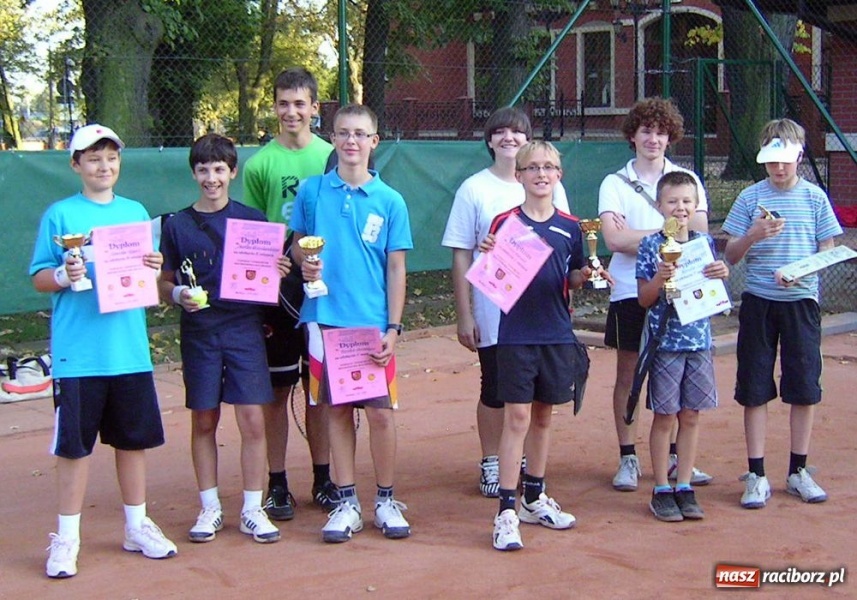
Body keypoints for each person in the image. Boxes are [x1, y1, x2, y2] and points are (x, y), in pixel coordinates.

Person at [31, 124, 177, 579]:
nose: (103, 166)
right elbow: (39, 277)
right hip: (79, 355)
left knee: (132, 443)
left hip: (128, 352)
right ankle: (67, 538)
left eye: (110, 157)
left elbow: (144, 277)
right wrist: (63, 272)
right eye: (93, 158)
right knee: (74, 449)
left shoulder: (135, 213)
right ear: (76, 164)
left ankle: (136, 526)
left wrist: (155, 267)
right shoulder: (60, 216)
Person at [159, 133, 292, 544]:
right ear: (194, 173)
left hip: (244, 330)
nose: (211, 178)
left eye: (219, 169)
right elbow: (163, 282)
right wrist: (178, 294)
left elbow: (270, 276)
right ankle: (210, 508)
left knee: (253, 419)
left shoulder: (253, 220)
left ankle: (253, 508)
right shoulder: (175, 224)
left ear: (233, 172)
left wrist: (279, 269)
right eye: (203, 169)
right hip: (199, 333)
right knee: (204, 418)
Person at [290, 104, 413, 543]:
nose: (351, 142)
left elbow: (395, 269)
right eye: (343, 133)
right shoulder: (311, 192)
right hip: (325, 321)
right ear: (333, 138)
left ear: (373, 141)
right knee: (336, 411)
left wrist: (393, 328)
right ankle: (346, 502)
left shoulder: (391, 200)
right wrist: (303, 261)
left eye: (360, 134)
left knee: (380, 415)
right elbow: (295, 246)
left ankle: (384, 499)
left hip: (373, 325)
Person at [485, 141, 610, 551]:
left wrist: (592, 273)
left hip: (556, 332)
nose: (541, 174)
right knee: (516, 418)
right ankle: (506, 509)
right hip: (516, 334)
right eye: (532, 167)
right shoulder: (504, 221)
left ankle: (534, 498)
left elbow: (572, 278)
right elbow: (493, 278)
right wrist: (489, 256)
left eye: (549, 167)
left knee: (542, 417)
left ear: (559, 175)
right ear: (518, 175)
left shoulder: (572, 227)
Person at [441, 107, 570, 498]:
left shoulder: (548, 183)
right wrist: (465, 314)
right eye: (500, 132)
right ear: (489, 140)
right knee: (495, 389)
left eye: (517, 132)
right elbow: (462, 253)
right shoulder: (473, 189)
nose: (509, 139)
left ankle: (528, 468)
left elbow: (563, 246)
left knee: (538, 396)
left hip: (543, 315)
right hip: (494, 311)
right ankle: (492, 462)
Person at [722, 118, 842, 509]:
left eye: (785, 160)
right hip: (758, 302)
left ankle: (798, 471)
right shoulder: (749, 198)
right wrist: (754, 234)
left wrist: (800, 272)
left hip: (802, 303)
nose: (778, 168)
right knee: (754, 386)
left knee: (803, 386)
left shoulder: (814, 199)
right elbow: (731, 254)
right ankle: (756, 474)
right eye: (771, 161)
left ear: (799, 157)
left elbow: (829, 249)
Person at [598, 97, 712, 492]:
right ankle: (628, 456)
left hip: (682, 295)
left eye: (661, 132)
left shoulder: (687, 179)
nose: (653, 138)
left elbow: (697, 233)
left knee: (681, 378)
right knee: (629, 373)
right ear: (633, 135)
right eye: (646, 130)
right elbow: (614, 239)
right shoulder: (614, 182)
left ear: (670, 137)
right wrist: (667, 232)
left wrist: (641, 235)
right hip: (630, 290)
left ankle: (680, 459)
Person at [242, 67, 338, 519]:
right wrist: (268, 271)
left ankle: (323, 478)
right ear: (274, 107)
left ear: (315, 108)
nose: (291, 111)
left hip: (323, 287)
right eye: (283, 103)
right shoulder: (261, 164)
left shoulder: (331, 155)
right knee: (277, 391)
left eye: (300, 103)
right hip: (277, 290)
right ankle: (277, 483)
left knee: (318, 388)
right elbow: (254, 233)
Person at [635, 172, 729, 522]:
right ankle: (661, 487)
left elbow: (717, 292)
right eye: (673, 201)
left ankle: (684, 484)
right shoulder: (650, 245)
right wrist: (661, 277)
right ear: (660, 205)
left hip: (699, 341)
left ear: (696, 206)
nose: (680, 208)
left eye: (687, 201)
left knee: (691, 414)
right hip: (665, 344)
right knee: (665, 415)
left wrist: (722, 272)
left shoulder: (704, 243)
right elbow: (644, 299)